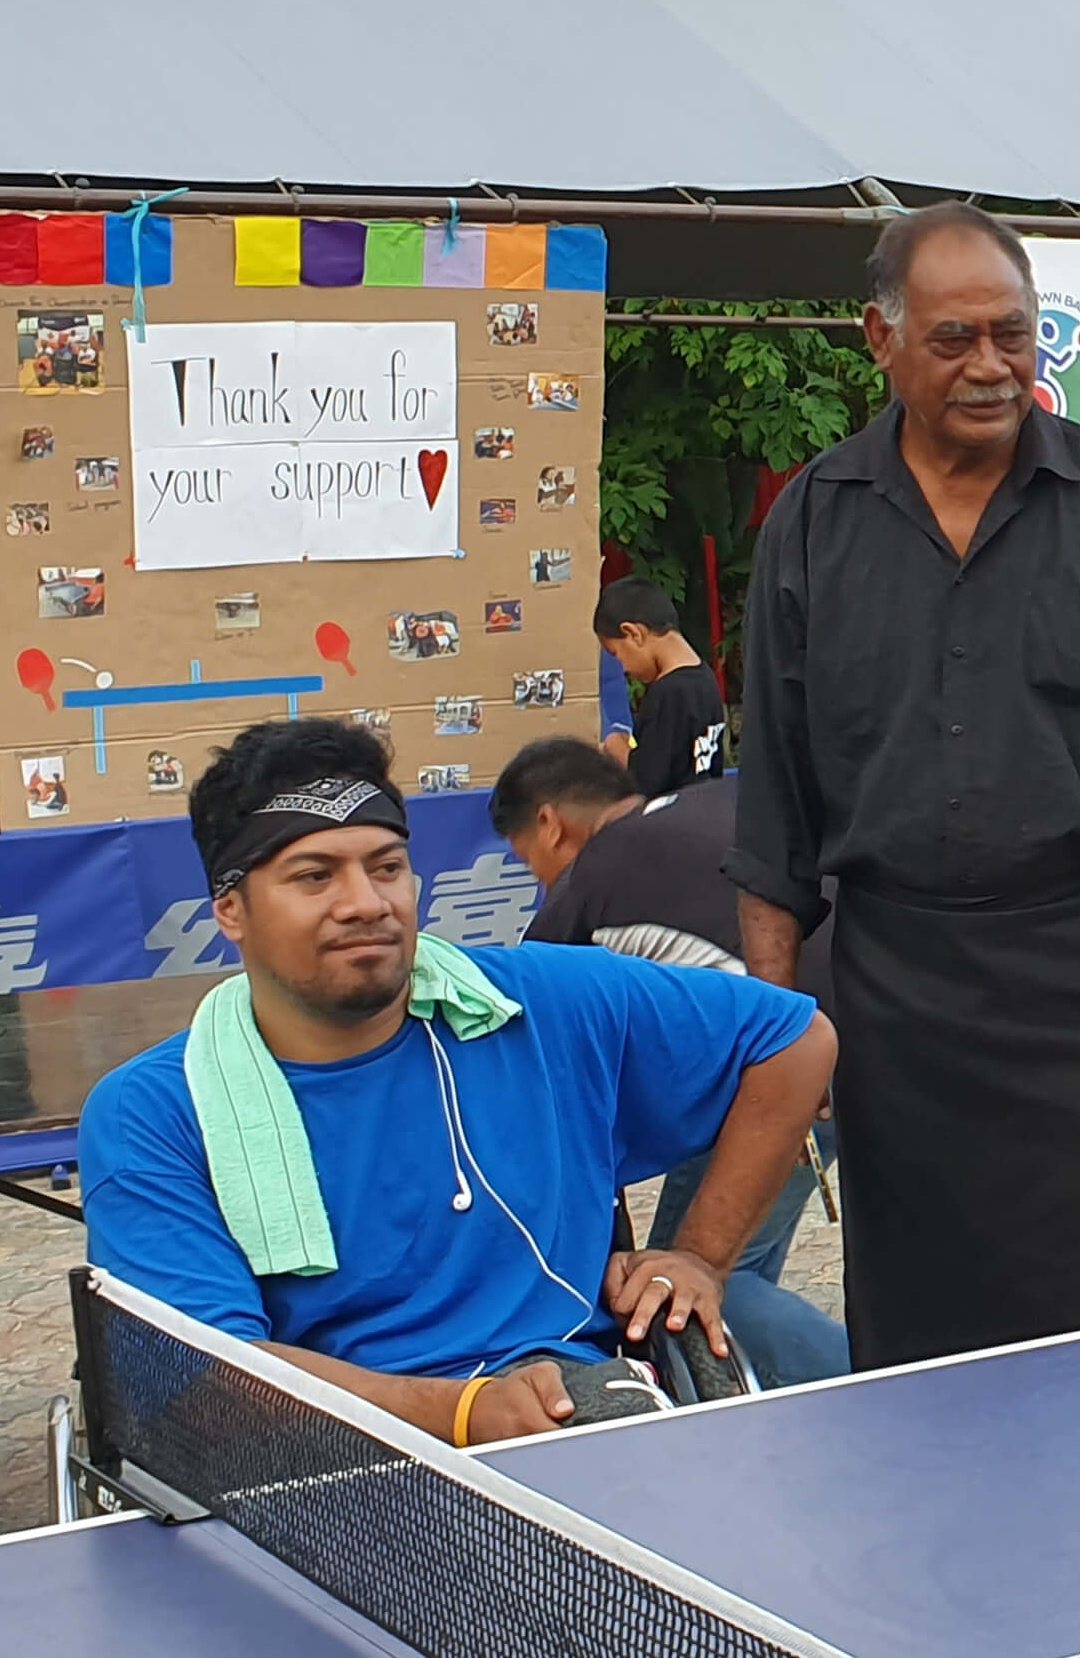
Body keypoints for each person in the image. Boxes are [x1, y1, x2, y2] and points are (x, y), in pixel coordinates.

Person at [729, 202, 1080, 1371]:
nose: (991, 367)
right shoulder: (814, 525)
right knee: (926, 1351)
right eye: (954, 339)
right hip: (900, 1004)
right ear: (880, 342)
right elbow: (774, 812)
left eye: (1013, 336)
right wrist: (773, 1032)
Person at [81, 721, 836, 1446]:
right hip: (326, 1466)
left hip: (583, 1423)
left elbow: (795, 1038)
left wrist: (699, 1256)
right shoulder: (156, 1111)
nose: (366, 904)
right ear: (230, 910)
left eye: (385, 868)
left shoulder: (547, 1001)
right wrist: (463, 1413)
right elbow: (206, 1377)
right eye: (314, 876)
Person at [495, 738, 846, 1388]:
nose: (539, 876)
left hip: (783, 1072)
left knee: (688, 1283)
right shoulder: (725, 796)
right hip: (874, 1029)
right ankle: (745, 1406)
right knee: (738, 1263)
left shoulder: (585, 886)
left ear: (548, 823)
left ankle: (867, 1388)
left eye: (525, 859)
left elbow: (547, 1076)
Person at [591, 577, 729, 798]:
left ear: (634, 634)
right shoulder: (704, 679)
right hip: (705, 808)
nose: (624, 668)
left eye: (617, 654)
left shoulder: (668, 695)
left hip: (671, 822)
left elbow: (646, 782)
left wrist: (615, 746)